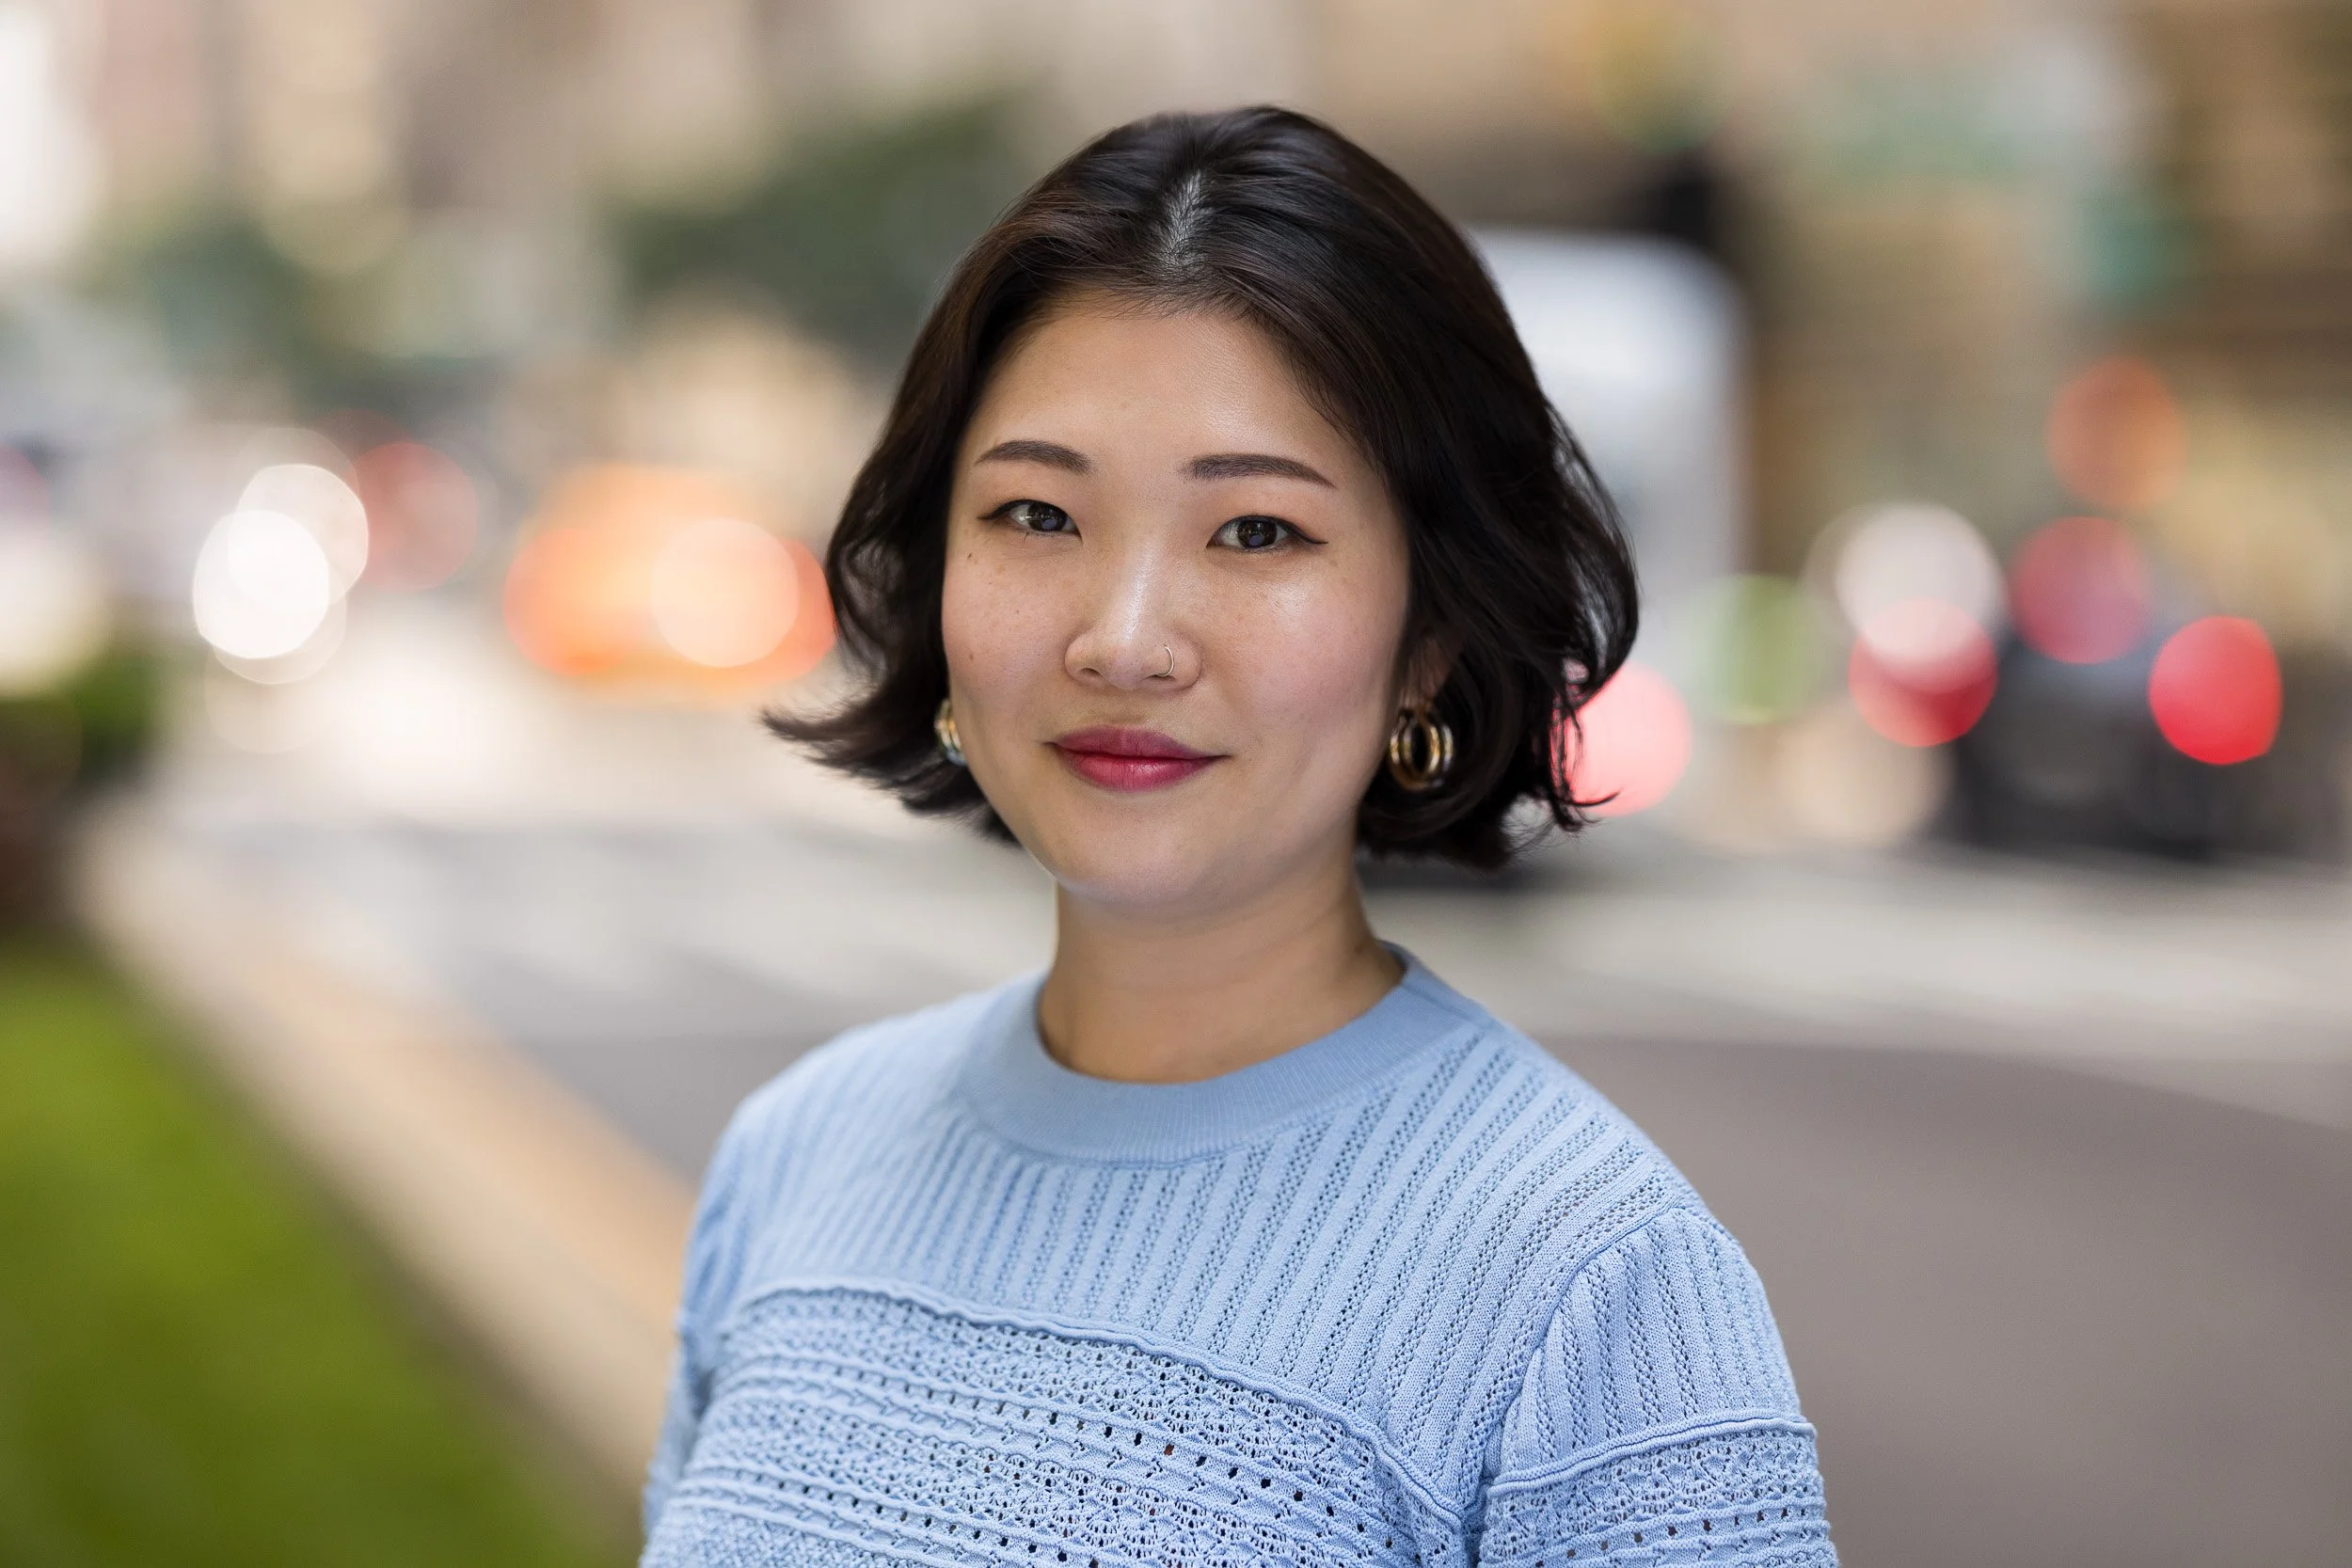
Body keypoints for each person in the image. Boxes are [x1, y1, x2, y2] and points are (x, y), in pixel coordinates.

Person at [641, 106, 1836, 1568]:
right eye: (1035, 512)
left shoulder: (1591, 1288)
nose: (1125, 639)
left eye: (1257, 531)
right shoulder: (795, 1161)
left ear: (1431, 633)